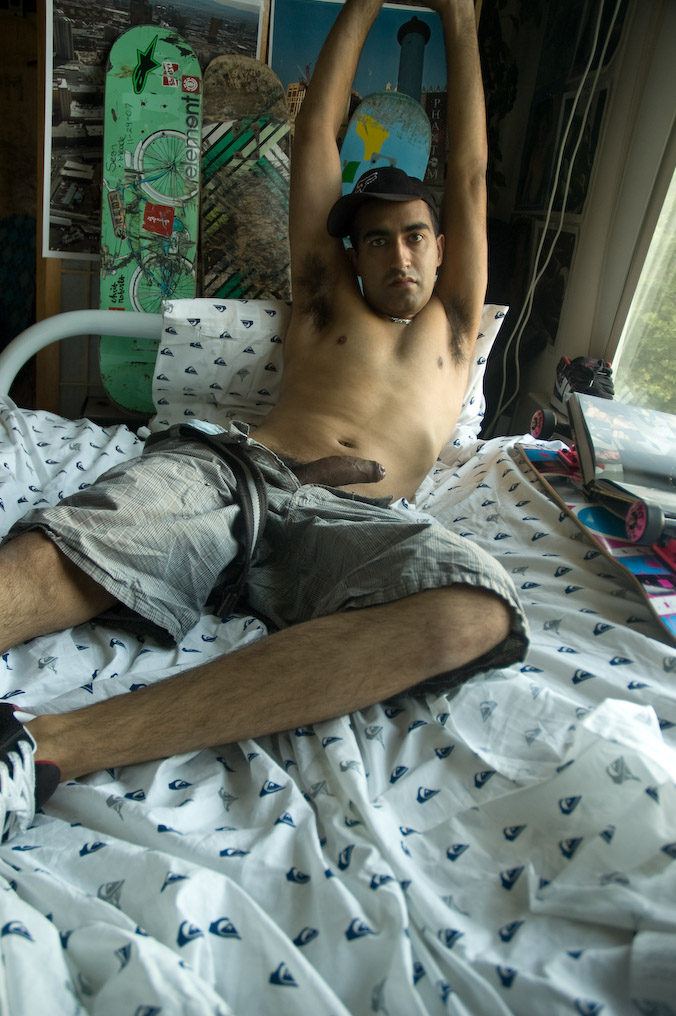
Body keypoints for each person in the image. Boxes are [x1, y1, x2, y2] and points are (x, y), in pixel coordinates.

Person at [0, 0, 528, 841]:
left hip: (353, 521)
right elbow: (316, 137)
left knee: (476, 609)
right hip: (237, 472)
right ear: (352, 254)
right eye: (377, 240)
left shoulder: (457, 325)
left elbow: (469, 172)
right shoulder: (324, 299)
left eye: (415, 236)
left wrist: (461, 21)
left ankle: (43, 752)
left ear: (441, 245)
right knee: (80, 545)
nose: (398, 254)